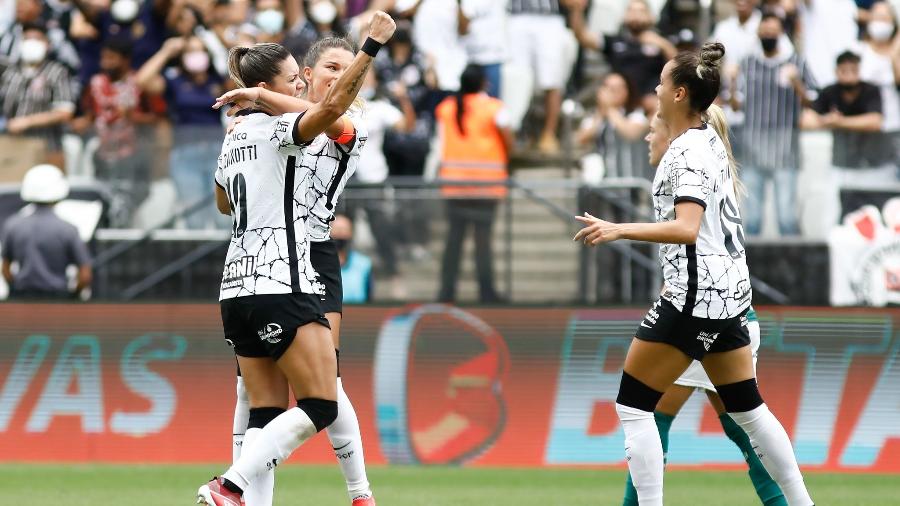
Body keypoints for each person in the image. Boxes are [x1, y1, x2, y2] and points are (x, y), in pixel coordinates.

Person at [574, 42, 814, 505]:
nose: (656, 89)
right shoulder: (709, 141)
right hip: (731, 302)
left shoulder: (684, 152)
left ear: (680, 94)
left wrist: (617, 229)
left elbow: (687, 228)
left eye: (662, 82)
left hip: (694, 299)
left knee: (634, 406)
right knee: (748, 413)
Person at [196, 12, 395, 506]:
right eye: (330, 66)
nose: (341, 75)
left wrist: (259, 99)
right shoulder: (279, 127)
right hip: (283, 270)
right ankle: (233, 487)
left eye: (350, 69)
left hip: (281, 265)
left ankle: (358, 491)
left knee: (305, 389)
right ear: (305, 74)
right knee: (313, 398)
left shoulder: (318, 121)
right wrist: (371, 45)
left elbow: (334, 111)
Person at [618, 105, 786, 506]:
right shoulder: (712, 164)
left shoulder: (689, 169)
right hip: (734, 313)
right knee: (744, 425)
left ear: (672, 131)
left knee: (646, 413)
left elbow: (688, 238)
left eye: (653, 126)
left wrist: (619, 230)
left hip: (703, 315)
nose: (648, 135)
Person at [730, 13, 816, 236]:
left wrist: (797, 82)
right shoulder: (747, 63)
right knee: (753, 219)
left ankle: (795, 268)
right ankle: (749, 269)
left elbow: (814, 100)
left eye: (773, 31)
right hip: (752, 149)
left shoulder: (796, 62)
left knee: (786, 216)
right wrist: (730, 81)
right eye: (764, 31)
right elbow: (735, 105)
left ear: (781, 33)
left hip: (785, 150)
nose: (768, 35)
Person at [435, 64, 513, 303]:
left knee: (454, 242)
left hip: (455, 186)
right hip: (486, 187)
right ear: (483, 83)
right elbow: (509, 137)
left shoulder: (446, 108)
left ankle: (446, 292)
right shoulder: (494, 108)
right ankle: (486, 292)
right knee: (482, 242)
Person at [136, 35, 226, 229]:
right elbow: (142, 80)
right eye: (191, 51)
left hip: (217, 154)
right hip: (186, 155)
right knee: (194, 217)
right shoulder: (175, 82)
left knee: (224, 218)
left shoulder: (216, 80)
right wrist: (166, 52)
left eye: (200, 50)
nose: (196, 55)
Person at [74, 36, 155, 228]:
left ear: (125, 59)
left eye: (111, 58)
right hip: (102, 154)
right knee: (103, 200)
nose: (105, 63)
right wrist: (82, 123)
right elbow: (90, 114)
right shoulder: (95, 84)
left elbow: (155, 117)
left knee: (127, 204)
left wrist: (132, 116)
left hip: (131, 155)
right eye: (104, 58)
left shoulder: (139, 83)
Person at [807, 51, 886, 223]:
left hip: (868, 164)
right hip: (840, 164)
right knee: (832, 211)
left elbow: (875, 121)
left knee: (870, 213)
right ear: (837, 71)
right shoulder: (830, 92)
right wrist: (826, 120)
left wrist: (839, 122)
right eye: (845, 71)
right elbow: (806, 120)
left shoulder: (870, 90)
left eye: (853, 70)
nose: (849, 76)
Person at [568, 0, 677, 116]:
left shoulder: (662, 41)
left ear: (651, 16)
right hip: (619, 104)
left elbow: (678, 65)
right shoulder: (615, 41)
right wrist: (577, 10)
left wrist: (662, 44)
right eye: (631, 10)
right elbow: (583, 36)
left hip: (650, 104)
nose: (635, 14)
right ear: (624, 15)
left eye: (641, 11)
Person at [1, 164, 91, 300]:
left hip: (22, 299)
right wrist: (73, 297)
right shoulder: (68, 229)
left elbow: (5, 269)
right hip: (58, 300)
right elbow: (85, 274)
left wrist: (14, 290)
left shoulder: (13, 226)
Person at [0, 21, 76, 171]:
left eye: (37, 39)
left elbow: (65, 112)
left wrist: (27, 121)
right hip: (10, 144)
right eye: (27, 39)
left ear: (47, 44)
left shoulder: (57, 72)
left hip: (46, 145)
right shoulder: (9, 71)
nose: (31, 44)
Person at [506, 0, 572, 153]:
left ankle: (549, 133)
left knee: (553, 78)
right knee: (518, 78)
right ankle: (518, 130)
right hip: (516, 15)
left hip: (549, 17)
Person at [858, 1, 900, 171]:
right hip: (863, 133)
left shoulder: (897, 53)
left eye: (884, 18)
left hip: (894, 130)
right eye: (876, 17)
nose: (880, 22)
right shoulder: (858, 51)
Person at [333, 213, 374, 303]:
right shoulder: (316, 264)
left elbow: (369, 297)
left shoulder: (364, 264)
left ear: (351, 233)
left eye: (344, 230)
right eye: (336, 230)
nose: (340, 234)